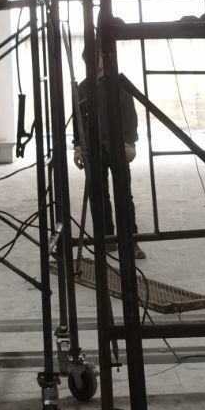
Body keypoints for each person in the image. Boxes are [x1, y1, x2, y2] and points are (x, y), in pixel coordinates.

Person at [73, 19, 143, 258]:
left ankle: (130, 240)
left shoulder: (119, 84)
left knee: (123, 194)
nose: (94, 63)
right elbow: (78, 121)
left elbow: (130, 116)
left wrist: (130, 142)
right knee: (99, 196)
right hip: (93, 148)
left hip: (117, 146)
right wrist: (78, 146)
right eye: (89, 59)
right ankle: (106, 238)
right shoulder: (83, 88)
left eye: (97, 58)